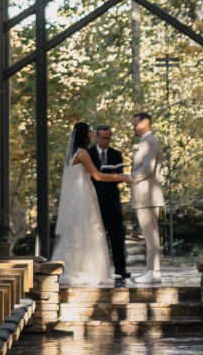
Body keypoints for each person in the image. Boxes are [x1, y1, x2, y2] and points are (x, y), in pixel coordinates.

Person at [52, 120, 119, 287]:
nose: (91, 134)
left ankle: (74, 266)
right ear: (84, 135)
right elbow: (97, 176)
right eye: (89, 132)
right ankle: (86, 269)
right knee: (87, 228)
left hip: (78, 194)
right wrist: (121, 177)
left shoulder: (72, 154)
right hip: (83, 194)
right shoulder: (82, 153)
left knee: (77, 230)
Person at [91, 124, 129, 285]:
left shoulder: (116, 154)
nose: (106, 141)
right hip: (94, 200)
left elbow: (119, 175)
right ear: (97, 137)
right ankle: (96, 269)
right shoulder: (89, 153)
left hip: (112, 200)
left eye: (108, 138)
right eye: (103, 138)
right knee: (95, 236)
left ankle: (120, 268)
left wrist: (115, 176)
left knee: (117, 235)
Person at [130, 110, 164, 281]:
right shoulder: (148, 141)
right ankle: (150, 269)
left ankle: (154, 271)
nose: (134, 127)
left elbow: (147, 169)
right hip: (146, 196)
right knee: (150, 234)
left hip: (147, 196)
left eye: (135, 124)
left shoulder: (149, 142)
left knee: (151, 235)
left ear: (144, 124)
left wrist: (130, 178)